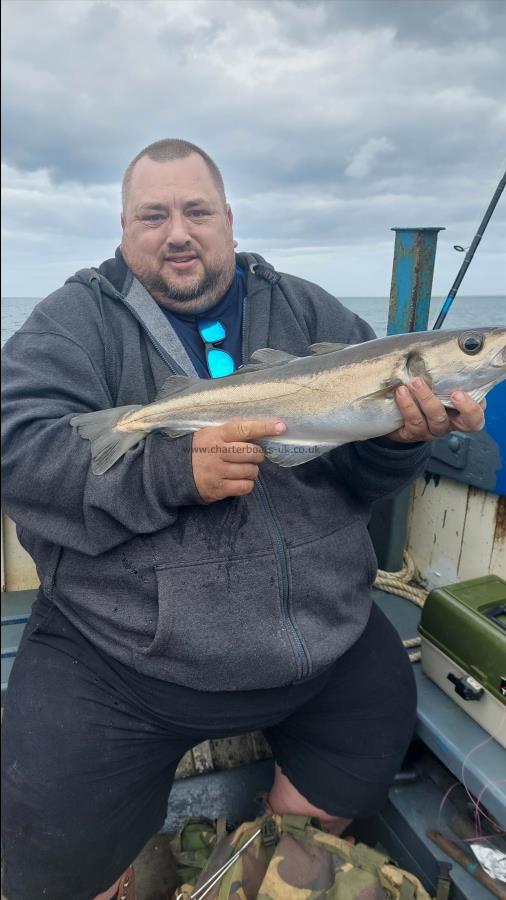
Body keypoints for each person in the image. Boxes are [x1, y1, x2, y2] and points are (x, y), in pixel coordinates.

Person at [1, 139, 485, 900]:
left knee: (362, 745)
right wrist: (171, 472)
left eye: (196, 211)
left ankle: (252, 862)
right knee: (51, 852)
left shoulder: (308, 309)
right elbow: (18, 452)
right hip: (122, 658)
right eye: (152, 215)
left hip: (320, 641)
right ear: (124, 228)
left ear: (228, 219)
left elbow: (361, 478)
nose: (178, 232)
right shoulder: (71, 324)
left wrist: (399, 442)